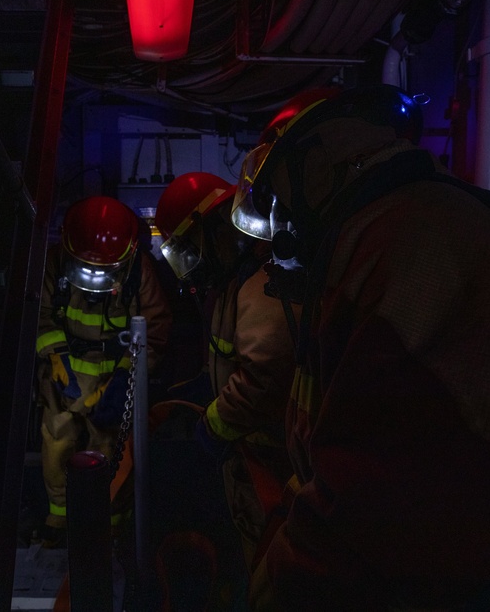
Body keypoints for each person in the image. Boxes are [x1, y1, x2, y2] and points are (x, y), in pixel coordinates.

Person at [230, 85, 490, 610]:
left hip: (418, 574)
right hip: (432, 555)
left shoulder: (404, 240)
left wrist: (287, 576)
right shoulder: (384, 228)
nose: (283, 226)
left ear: (315, 159)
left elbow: (375, 487)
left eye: (281, 200)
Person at [155, 172, 296, 570]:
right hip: (252, 461)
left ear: (212, 228)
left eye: (189, 249)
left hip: (270, 462)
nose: (192, 263)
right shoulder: (237, 281)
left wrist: (213, 425)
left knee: (269, 564)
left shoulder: (263, 283)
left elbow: (262, 379)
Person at [34, 195, 172, 547]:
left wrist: (127, 375)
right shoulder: (53, 264)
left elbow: (154, 329)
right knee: (58, 443)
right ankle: (60, 522)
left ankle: (111, 527)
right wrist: (55, 358)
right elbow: (40, 313)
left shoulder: (139, 270)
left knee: (114, 451)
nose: (94, 275)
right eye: (85, 267)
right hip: (63, 377)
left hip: (114, 379)